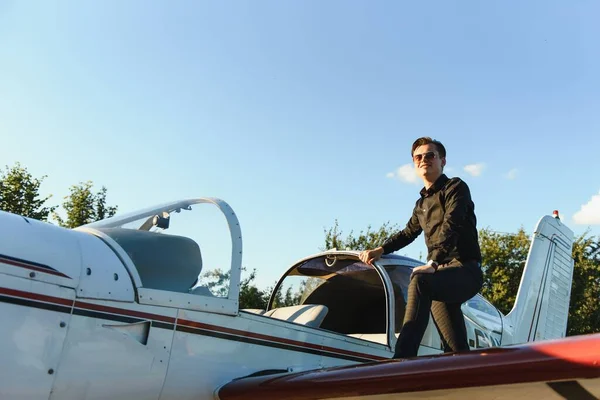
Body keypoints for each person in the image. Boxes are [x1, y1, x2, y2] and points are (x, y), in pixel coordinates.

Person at [359, 137, 483, 359]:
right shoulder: (421, 204)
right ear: (414, 164)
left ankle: (401, 360)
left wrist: (432, 262)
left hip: (465, 270)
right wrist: (380, 250)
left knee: (420, 280)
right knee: (456, 353)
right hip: (441, 276)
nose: (423, 160)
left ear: (442, 161)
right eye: (418, 157)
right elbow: (408, 233)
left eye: (430, 155)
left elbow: (452, 225)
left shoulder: (456, 187)